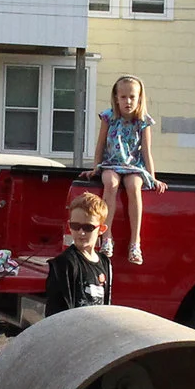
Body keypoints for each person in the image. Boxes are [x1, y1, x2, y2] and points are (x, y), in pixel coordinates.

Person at [92, 75, 166, 265]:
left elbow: (147, 151)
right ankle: (107, 236)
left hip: (134, 166)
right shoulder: (108, 117)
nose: (128, 101)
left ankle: (135, 242)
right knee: (111, 183)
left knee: (134, 186)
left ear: (140, 98)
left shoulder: (143, 121)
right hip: (111, 163)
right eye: (123, 97)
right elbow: (100, 145)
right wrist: (95, 168)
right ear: (116, 98)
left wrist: (153, 178)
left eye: (132, 97)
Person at [43, 192, 112, 316]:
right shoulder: (64, 263)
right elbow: (56, 312)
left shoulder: (105, 262)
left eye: (88, 227)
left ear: (101, 229)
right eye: (75, 226)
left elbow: (106, 304)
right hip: (72, 325)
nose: (81, 232)